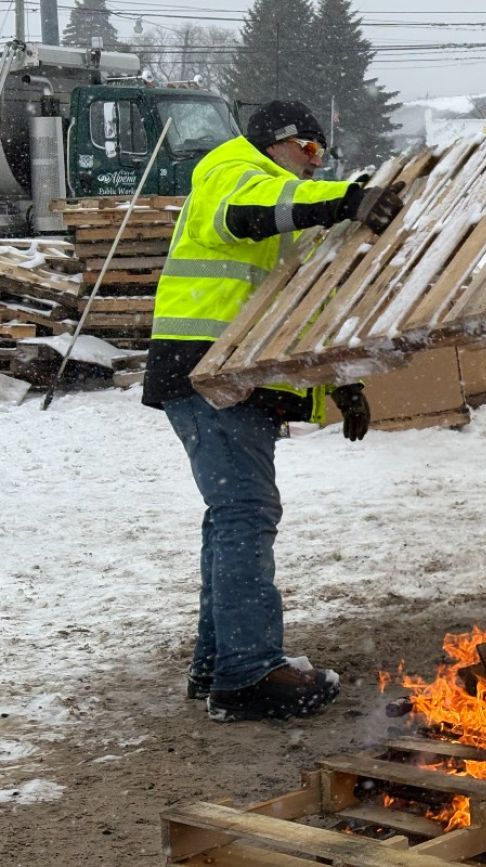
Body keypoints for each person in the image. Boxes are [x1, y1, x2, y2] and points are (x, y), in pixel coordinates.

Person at [141, 100, 405, 722]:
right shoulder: (231, 169)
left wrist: (340, 384)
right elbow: (246, 215)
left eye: (322, 158)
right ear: (280, 142)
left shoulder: (285, 212)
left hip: (227, 374)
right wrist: (346, 200)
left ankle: (220, 664)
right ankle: (248, 673)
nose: (314, 168)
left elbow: (301, 316)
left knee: (231, 515)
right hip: (210, 370)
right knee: (244, 515)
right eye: (310, 152)